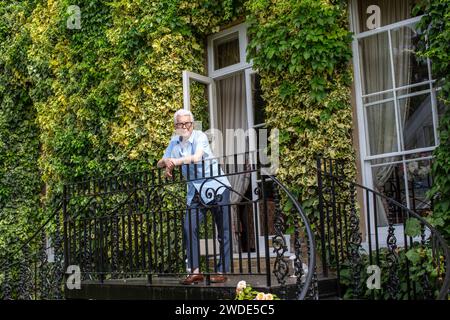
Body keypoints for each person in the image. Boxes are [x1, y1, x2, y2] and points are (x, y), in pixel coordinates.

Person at [157, 109, 231, 284]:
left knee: (224, 231)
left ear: (192, 124)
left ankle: (222, 270)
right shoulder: (174, 142)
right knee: (189, 227)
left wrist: (175, 162)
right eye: (181, 124)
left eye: (188, 123)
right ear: (175, 126)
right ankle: (195, 271)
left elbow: (197, 158)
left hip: (217, 187)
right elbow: (160, 161)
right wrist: (166, 162)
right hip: (196, 192)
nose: (185, 127)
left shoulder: (200, 136)